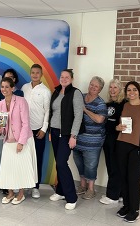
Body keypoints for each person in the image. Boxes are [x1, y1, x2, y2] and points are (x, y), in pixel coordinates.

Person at [115, 81, 140, 223]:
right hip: (121, 145)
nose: (131, 92)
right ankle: (126, 206)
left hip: (137, 148)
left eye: (134, 90)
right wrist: (117, 128)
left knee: (133, 179)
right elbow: (114, 124)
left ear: (139, 91)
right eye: (129, 90)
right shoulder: (123, 105)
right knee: (123, 178)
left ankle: (135, 210)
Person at [0, 77, 37, 205]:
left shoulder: (21, 101)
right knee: (8, 169)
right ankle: (10, 193)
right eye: (2, 87)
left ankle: (21, 194)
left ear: (13, 88)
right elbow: (1, 128)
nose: (4, 89)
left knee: (21, 168)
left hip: (22, 139)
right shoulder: (0, 104)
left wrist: (21, 142)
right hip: (8, 140)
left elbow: (25, 123)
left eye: (7, 87)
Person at [49, 69, 83, 210]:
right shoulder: (56, 92)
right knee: (59, 163)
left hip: (67, 134)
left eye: (67, 77)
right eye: (62, 76)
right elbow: (52, 112)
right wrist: (51, 130)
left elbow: (78, 115)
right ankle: (61, 191)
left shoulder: (75, 93)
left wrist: (73, 136)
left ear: (72, 79)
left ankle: (71, 197)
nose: (64, 79)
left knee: (62, 163)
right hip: (55, 132)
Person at [73, 76, 107, 200]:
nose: (92, 87)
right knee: (79, 163)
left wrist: (85, 110)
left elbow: (99, 119)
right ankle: (82, 186)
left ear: (100, 89)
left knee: (91, 166)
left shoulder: (100, 103)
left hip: (93, 142)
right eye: (91, 84)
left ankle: (91, 189)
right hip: (77, 139)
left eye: (96, 86)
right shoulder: (80, 96)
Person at [21, 64, 51, 199]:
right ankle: (24, 184)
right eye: (32, 72)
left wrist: (44, 128)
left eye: (37, 73)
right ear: (30, 73)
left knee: (37, 158)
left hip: (38, 129)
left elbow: (48, 111)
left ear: (41, 74)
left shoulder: (45, 91)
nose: (34, 75)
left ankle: (35, 186)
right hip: (24, 129)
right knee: (24, 158)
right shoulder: (24, 88)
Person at [0, 68, 24, 195]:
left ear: (14, 82)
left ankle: (16, 188)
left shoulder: (20, 97)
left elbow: (23, 120)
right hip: (5, 135)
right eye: (3, 86)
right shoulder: (0, 100)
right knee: (2, 158)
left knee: (16, 161)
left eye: (10, 78)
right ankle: (3, 184)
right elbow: (0, 118)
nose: (4, 89)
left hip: (17, 135)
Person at [100, 79, 126, 205]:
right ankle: (119, 193)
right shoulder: (107, 104)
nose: (112, 90)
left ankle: (112, 196)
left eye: (115, 87)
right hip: (107, 140)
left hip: (118, 141)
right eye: (110, 87)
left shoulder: (124, 104)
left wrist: (116, 127)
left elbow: (124, 124)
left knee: (115, 167)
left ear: (120, 89)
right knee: (111, 166)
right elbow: (105, 123)